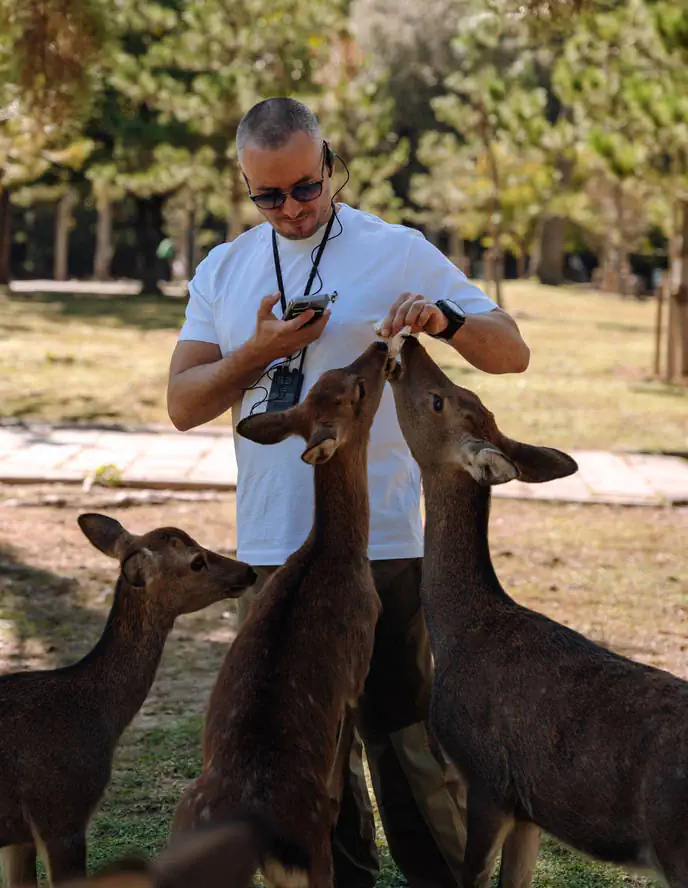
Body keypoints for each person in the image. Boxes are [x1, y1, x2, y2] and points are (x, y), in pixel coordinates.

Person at [167, 98, 530, 888]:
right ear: (245, 186)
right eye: (270, 196)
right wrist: (255, 354)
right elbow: (184, 403)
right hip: (272, 557)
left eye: (306, 187)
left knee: (408, 754)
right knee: (303, 769)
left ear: (329, 162)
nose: (293, 209)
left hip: (384, 549)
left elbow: (511, 352)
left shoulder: (395, 250)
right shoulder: (225, 270)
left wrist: (443, 321)